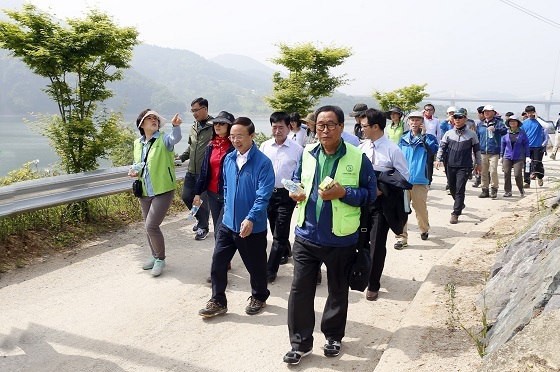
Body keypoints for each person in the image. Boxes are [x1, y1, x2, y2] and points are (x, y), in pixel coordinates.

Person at [283, 105, 376, 365]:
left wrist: (344, 193)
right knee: (300, 289)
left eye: (330, 125)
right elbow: (295, 180)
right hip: (306, 235)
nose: (324, 130)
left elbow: (370, 194)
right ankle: (300, 343)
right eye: (320, 125)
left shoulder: (358, 158)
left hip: (341, 237)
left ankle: (333, 336)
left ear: (341, 127)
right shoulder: (308, 153)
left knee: (337, 290)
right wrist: (296, 192)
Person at [198, 117, 275, 318]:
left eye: (240, 136)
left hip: (251, 226)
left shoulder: (263, 163)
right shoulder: (230, 159)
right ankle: (218, 300)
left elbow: (263, 195)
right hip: (228, 222)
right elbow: (225, 187)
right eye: (232, 136)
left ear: (252, 135)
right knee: (218, 262)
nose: (235, 140)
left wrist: (250, 218)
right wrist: (226, 211)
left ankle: (259, 296)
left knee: (256, 266)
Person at [358, 108, 409, 299]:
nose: (361, 129)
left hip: (382, 205)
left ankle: (373, 283)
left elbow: (404, 177)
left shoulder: (392, 149)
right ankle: (360, 274)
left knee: (377, 245)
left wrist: (382, 187)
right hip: (362, 203)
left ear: (376, 127)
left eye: (364, 126)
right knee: (360, 241)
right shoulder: (361, 148)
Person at [131, 109, 182, 277]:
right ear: (141, 124)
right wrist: (133, 170)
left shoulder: (164, 139)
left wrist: (175, 126)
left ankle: (160, 259)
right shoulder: (137, 143)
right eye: (149, 118)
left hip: (163, 189)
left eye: (155, 118)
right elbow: (137, 163)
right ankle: (154, 256)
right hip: (145, 190)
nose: (154, 120)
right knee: (148, 227)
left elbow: (176, 138)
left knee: (151, 226)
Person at [259, 112, 303, 283]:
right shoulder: (264, 146)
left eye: (281, 127)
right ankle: (285, 251)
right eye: (274, 127)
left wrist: (296, 192)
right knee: (273, 226)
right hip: (268, 193)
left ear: (289, 127)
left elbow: (298, 175)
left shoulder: (297, 149)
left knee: (280, 233)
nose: (277, 131)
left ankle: (270, 270)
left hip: (286, 195)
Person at [192, 111, 235, 283]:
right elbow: (204, 172)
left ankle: (218, 269)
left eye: (222, 124)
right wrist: (197, 192)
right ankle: (225, 261)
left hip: (228, 194)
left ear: (229, 126)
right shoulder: (211, 145)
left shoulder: (234, 146)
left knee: (220, 231)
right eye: (216, 123)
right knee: (219, 232)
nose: (217, 126)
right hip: (212, 193)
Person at [396, 111, 438, 245]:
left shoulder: (429, 138)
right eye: (412, 120)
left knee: (420, 209)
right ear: (408, 122)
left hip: (420, 180)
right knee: (401, 210)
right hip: (404, 180)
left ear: (422, 122)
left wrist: (424, 135)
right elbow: (397, 157)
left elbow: (432, 150)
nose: (414, 123)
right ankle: (402, 238)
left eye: (417, 120)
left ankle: (424, 229)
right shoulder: (403, 138)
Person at [435, 108, 482, 224]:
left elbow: (477, 151)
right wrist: (438, 159)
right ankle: (460, 203)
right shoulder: (448, 134)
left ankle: (455, 213)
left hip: (464, 166)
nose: (457, 119)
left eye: (460, 117)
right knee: (452, 188)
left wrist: (479, 164)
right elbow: (442, 147)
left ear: (465, 119)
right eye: (455, 117)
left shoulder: (472, 135)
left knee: (460, 189)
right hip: (450, 165)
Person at [177, 97, 213, 241]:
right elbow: (191, 147)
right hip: (191, 170)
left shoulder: (214, 126)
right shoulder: (194, 126)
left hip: (205, 173)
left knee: (201, 201)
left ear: (205, 109)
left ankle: (204, 228)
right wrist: (182, 158)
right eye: (192, 111)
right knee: (186, 196)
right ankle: (200, 220)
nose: (194, 113)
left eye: (196, 110)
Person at [476, 105, 507, 199]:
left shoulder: (498, 123)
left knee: (493, 171)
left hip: (494, 151)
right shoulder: (480, 124)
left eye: (489, 111)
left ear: (493, 112)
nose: (487, 113)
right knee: (483, 172)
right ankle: (484, 189)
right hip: (482, 151)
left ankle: (494, 188)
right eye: (485, 112)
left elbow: (505, 131)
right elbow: (477, 137)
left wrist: (495, 129)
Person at [500, 115, 530, 197]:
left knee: (517, 174)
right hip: (507, 156)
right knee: (506, 173)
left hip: (519, 157)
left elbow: (526, 145)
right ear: (508, 123)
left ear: (517, 123)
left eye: (514, 121)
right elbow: (503, 145)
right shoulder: (506, 132)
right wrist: (501, 156)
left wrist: (528, 156)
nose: (512, 123)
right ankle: (508, 191)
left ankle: (521, 189)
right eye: (511, 121)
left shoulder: (522, 133)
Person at [521, 105, 547, 187]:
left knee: (536, 164)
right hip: (527, 147)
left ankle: (540, 177)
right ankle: (526, 181)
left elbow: (547, 126)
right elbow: (521, 134)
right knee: (527, 164)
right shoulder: (524, 123)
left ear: (534, 112)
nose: (530, 114)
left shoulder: (539, 121)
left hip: (537, 146)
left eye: (531, 112)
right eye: (528, 113)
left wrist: (537, 118)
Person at [423, 103, 441, 185]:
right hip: (422, 142)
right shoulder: (421, 119)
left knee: (430, 163)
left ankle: (429, 180)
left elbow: (438, 134)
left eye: (430, 109)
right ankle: (422, 179)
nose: (428, 111)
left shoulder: (436, 121)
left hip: (431, 144)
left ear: (433, 111)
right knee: (422, 162)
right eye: (426, 109)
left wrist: (438, 146)